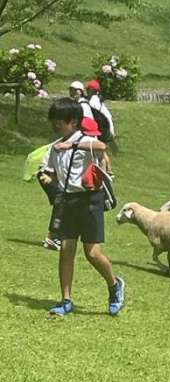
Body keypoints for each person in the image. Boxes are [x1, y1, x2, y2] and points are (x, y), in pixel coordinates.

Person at [39, 97, 125, 316]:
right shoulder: (55, 147)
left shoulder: (85, 141)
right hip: (68, 200)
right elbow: (53, 173)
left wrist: (72, 144)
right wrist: (48, 178)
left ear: (74, 122)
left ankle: (115, 285)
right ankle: (66, 300)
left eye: (60, 121)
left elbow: (102, 146)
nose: (56, 125)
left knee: (93, 254)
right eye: (54, 121)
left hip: (90, 200)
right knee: (66, 250)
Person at [85, 79, 116, 175]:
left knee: (100, 150)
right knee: (102, 150)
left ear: (92, 90)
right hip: (107, 128)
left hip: (103, 129)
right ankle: (108, 170)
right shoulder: (97, 100)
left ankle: (105, 171)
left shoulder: (93, 102)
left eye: (88, 89)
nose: (87, 91)